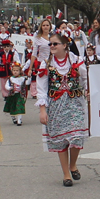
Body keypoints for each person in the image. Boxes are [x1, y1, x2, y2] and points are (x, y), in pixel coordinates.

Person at [36, 34, 88, 187]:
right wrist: (42, 110)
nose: (52, 46)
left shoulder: (76, 61)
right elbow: (41, 89)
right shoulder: (45, 64)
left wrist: (89, 90)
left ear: (65, 45)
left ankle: (73, 165)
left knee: (77, 136)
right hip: (56, 105)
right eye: (50, 44)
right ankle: (66, 174)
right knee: (60, 140)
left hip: (75, 103)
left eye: (55, 44)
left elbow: (85, 79)